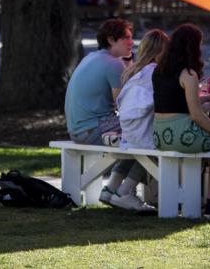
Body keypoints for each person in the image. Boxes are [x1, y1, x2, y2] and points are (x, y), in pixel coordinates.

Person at [64, 18, 151, 212]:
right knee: (147, 135)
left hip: (78, 129)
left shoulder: (92, 58)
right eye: (126, 38)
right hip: (93, 129)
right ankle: (125, 192)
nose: (131, 42)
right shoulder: (113, 64)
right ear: (111, 40)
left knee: (137, 135)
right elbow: (127, 106)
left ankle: (112, 189)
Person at [152, 23, 210, 219]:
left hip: (161, 135)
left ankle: (200, 197)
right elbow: (196, 115)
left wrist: (208, 98)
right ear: (192, 47)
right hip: (182, 135)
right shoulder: (189, 74)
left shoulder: (160, 70)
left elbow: (179, 101)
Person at [117, 29, 168, 150]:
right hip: (146, 137)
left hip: (129, 136)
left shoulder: (135, 72)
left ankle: (122, 169)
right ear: (159, 52)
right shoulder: (156, 73)